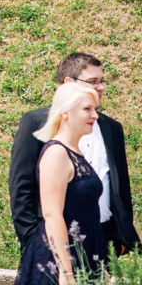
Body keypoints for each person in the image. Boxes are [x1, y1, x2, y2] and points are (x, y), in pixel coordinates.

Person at [10, 53, 138, 254]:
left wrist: (121, 241)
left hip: (104, 239)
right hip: (54, 240)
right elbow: (21, 187)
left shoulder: (111, 128)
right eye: (93, 81)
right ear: (68, 83)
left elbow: (121, 187)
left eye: (102, 81)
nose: (101, 87)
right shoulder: (36, 122)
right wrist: (33, 240)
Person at [15, 82, 106, 285]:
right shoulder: (57, 152)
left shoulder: (74, 151)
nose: (95, 115)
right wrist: (66, 274)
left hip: (85, 252)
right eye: (87, 109)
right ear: (65, 112)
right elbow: (52, 215)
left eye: (95, 109)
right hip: (61, 261)